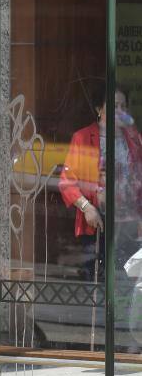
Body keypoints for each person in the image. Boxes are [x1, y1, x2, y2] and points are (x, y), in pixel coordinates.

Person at [59, 83, 142, 285]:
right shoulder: (83, 137)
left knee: (129, 281)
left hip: (129, 222)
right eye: (114, 106)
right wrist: (87, 208)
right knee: (100, 282)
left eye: (123, 107)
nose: (120, 111)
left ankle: (125, 317)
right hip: (99, 222)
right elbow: (67, 182)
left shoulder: (133, 137)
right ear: (99, 109)